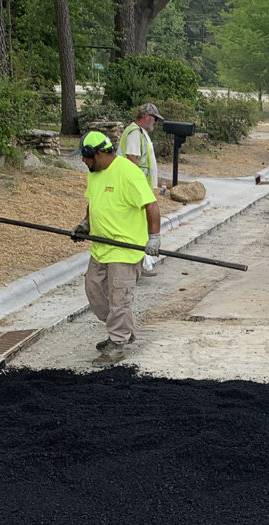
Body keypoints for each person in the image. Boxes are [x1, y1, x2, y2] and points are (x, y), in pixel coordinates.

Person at [70, 130, 161, 366]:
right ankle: (121, 330)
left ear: (99, 153)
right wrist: (85, 224)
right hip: (101, 246)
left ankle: (118, 343)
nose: (83, 161)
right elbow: (94, 201)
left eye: (86, 156)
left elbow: (151, 205)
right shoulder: (95, 172)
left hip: (124, 248)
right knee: (94, 290)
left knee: (119, 297)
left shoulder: (128, 173)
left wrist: (154, 238)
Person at [118, 102, 164, 277]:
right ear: (146, 117)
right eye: (154, 119)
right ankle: (138, 265)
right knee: (136, 226)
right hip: (135, 189)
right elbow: (131, 158)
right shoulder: (134, 133)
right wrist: (139, 185)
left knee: (139, 226)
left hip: (140, 188)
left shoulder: (140, 133)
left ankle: (141, 264)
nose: (155, 123)